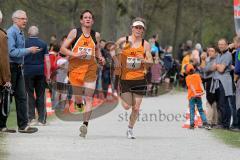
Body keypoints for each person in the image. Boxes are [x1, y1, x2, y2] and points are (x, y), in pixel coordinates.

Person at [60, 10, 105, 138]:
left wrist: (100, 58)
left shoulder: (96, 35)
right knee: (79, 98)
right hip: (75, 69)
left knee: (89, 98)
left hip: (90, 68)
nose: (87, 19)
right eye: (85, 17)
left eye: (90, 17)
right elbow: (63, 49)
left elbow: (97, 50)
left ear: (93, 21)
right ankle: (78, 102)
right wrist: (75, 54)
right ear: (81, 20)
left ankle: (85, 125)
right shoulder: (75, 32)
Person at [110, 17, 153, 139]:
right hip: (125, 78)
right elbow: (112, 50)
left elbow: (150, 61)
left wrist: (142, 60)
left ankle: (130, 129)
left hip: (140, 78)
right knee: (126, 106)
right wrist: (116, 61)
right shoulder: (123, 41)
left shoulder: (146, 45)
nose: (138, 30)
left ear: (143, 30)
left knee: (136, 107)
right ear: (132, 28)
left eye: (141, 28)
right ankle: (120, 93)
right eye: (136, 27)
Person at [7, 10, 38, 133]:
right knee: (7, 97)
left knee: (21, 97)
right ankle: (2, 126)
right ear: (15, 19)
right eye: (22, 18)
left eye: (25, 18)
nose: (25, 21)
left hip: (19, 67)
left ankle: (23, 126)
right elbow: (12, 52)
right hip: (11, 67)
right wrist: (29, 50)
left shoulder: (20, 32)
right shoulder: (11, 32)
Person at [24, 26, 48, 126]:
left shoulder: (24, 43)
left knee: (29, 94)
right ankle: (41, 119)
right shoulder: (43, 43)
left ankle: (31, 118)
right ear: (37, 33)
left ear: (29, 33)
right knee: (40, 95)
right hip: (40, 71)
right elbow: (47, 60)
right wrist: (48, 73)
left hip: (28, 71)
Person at [211, 39, 233, 129]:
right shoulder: (219, 55)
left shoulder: (228, 55)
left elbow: (221, 70)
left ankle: (225, 124)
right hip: (217, 81)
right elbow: (212, 68)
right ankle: (221, 123)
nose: (220, 46)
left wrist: (217, 65)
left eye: (222, 44)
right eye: (219, 44)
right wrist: (217, 66)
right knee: (219, 103)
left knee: (223, 103)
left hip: (224, 82)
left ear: (226, 45)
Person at [0, 10, 16, 133]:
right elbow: (4, 59)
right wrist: (7, 79)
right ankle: (2, 126)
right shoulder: (2, 35)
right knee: (4, 101)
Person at [185, 64, 211, 130]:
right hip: (199, 95)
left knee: (192, 110)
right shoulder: (197, 76)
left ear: (187, 71)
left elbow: (191, 86)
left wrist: (195, 93)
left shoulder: (187, 77)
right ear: (193, 69)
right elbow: (200, 83)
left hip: (192, 96)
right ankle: (205, 123)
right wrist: (202, 91)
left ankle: (191, 124)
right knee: (200, 109)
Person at [201, 46, 218, 128]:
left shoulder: (216, 59)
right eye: (209, 51)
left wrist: (203, 61)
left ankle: (209, 122)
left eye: (212, 51)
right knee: (213, 102)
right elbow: (202, 70)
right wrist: (204, 61)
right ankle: (214, 122)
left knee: (210, 102)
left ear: (216, 52)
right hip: (207, 81)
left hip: (212, 81)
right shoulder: (208, 59)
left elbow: (205, 69)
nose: (210, 52)